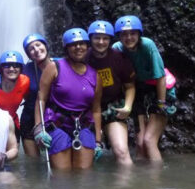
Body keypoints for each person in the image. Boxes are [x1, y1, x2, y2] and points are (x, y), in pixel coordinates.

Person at [33, 28, 104, 169]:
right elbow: (41, 99)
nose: (78, 47)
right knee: (62, 175)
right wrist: (38, 129)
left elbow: (96, 109)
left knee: (84, 174)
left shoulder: (95, 75)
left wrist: (97, 141)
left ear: (87, 46)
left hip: (83, 125)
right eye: (73, 44)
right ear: (67, 48)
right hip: (57, 124)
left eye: (81, 43)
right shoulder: (54, 67)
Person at [111, 15, 178, 163]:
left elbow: (160, 76)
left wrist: (161, 103)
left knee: (149, 141)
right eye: (124, 34)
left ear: (139, 34)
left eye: (133, 33)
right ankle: (139, 182)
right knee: (140, 143)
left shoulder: (148, 45)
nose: (129, 37)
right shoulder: (116, 49)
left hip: (160, 91)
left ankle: (156, 183)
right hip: (139, 92)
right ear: (119, 36)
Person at [86, 20, 136, 165]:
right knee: (87, 155)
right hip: (87, 109)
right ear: (91, 39)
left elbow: (130, 86)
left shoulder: (119, 58)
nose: (101, 42)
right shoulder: (83, 58)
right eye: (97, 38)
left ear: (110, 40)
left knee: (121, 151)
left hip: (111, 107)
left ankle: (129, 187)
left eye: (105, 38)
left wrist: (127, 106)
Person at [19, 33, 51, 157]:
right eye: (31, 49)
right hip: (29, 118)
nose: (36, 50)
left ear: (46, 46)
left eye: (38, 45)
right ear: (28, 55)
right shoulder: (25, 70)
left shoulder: (61, 65)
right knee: (33, 163)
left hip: (54, 118)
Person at [0, 50, 30, 133]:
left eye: (16, 66)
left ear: (21, 68)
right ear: (1, 68)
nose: (11, 69)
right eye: (7, 66)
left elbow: (28, 99)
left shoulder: (25, 81)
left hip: (12, 123)